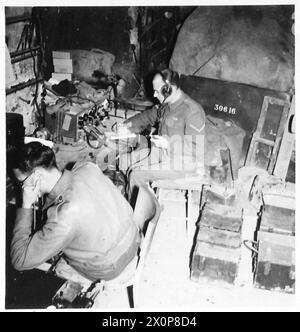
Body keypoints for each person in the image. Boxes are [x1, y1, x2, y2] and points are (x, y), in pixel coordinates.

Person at [10, 142, 140, 282]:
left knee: (51, 271)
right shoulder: (86, 167)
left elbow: (19, 260)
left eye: (22, 182)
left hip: (109, 266)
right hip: (132, 237)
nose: (22, 188)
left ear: (36, 176)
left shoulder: (63, 218)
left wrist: (26, 204)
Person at [116, 68, 206, 201]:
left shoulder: (192, 111)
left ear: (169, 89)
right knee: (124, 162)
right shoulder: (167, 104)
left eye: (157, 91)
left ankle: (138, 214)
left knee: (136, 174)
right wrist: (127, 125)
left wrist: (168, 143)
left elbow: (197, 149)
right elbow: (149, 116)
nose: (154, 95)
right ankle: (142, 196)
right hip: (162, 153)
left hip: (183, 162)